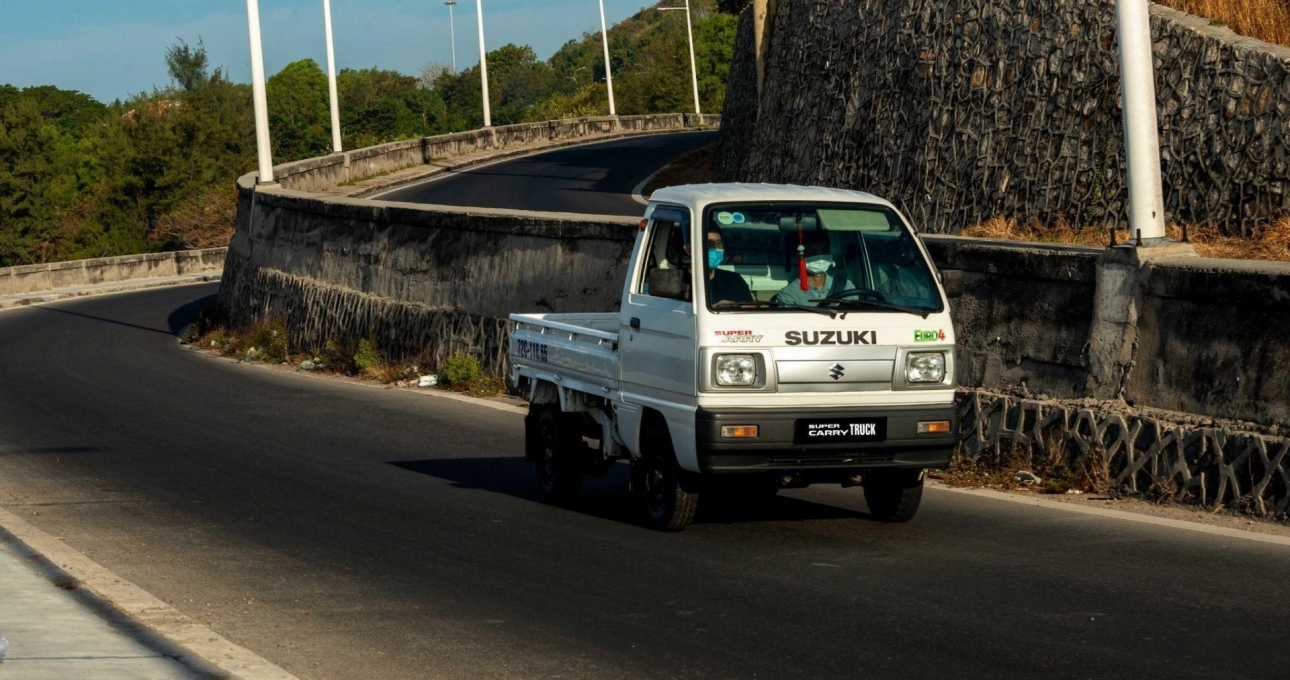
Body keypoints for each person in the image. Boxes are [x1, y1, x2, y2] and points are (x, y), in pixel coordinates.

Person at [773, 229, 854, 306]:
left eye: (824, 251)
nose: (820, 257)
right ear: (799, 257)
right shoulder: (789, 295)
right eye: (813, 252)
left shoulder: (846, 286)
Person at [689, 226, 752, 305]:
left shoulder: (733, 280)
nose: (715, 248)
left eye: (718, 243)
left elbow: (749, 308)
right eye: (709, 243)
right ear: (689, 248)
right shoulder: (678, 280)